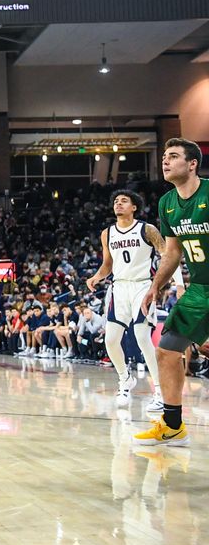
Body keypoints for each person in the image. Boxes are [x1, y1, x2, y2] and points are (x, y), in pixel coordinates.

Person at [136, 138, 209, 447]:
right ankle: (173, 425)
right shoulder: (167, 203)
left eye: (174, 156)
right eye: (164, 157)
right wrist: (155, 286)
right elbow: (172, 253)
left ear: (192, 164)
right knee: (166, 350)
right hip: (199, 290)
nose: (166, 161)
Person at [86, 190, 165, 412]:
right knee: (110, 340)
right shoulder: (107, 233)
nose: (118, 204)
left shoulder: (147, 229)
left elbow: (165, 254)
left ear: (134, 207)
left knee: (142, 337)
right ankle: (125, 379)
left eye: (124, 201)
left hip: (142, 285)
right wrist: (95, 277)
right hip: (119, 287)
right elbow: (108, 264)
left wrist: (162, 284)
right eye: (116, 201)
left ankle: (159, 390)